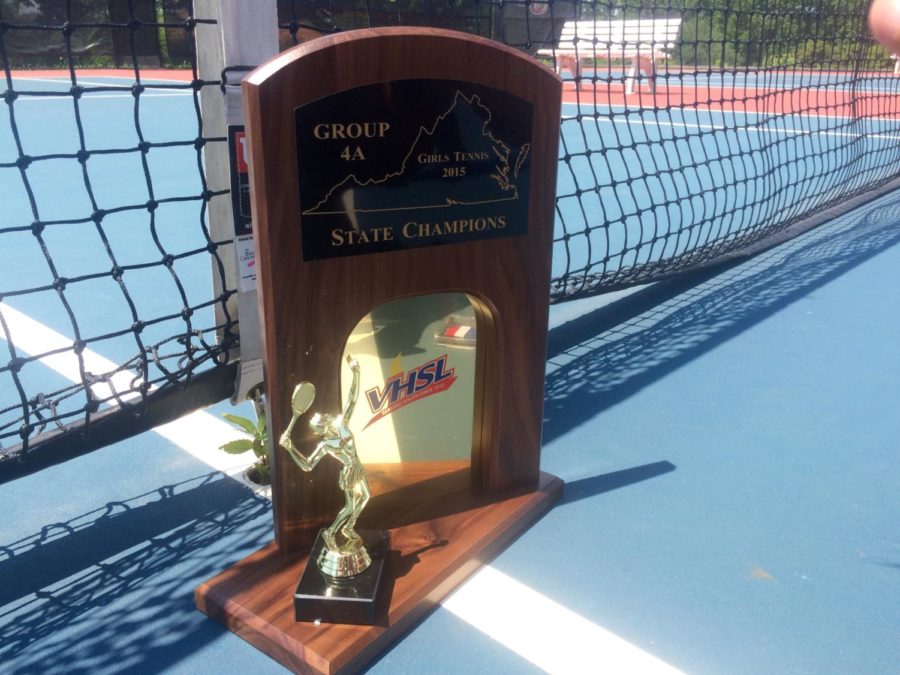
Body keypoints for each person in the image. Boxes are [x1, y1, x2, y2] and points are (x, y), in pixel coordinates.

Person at [279, 355, 372, 570]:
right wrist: (291, 447)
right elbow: (307, 465)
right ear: (320, 428)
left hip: (357, 467)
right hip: (348, 473)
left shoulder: (343, 422)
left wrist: (356, 373)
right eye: (321, 419)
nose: (325, 416)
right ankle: (332, 532)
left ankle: (348, 528)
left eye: (323, 416)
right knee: (349, 505)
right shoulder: (325, 445)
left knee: (367, 497)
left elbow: (352, 398)